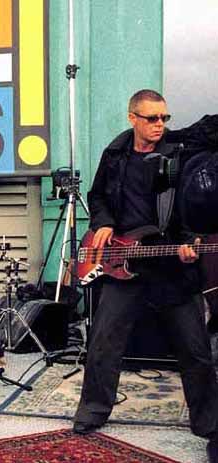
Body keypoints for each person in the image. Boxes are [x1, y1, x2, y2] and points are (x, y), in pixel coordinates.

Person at [72, 90, 218, 463]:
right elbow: (98, 195)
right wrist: (103, 222)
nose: (159, 125)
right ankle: (93, 412)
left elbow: (191, 203)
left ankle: (209, 424)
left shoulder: (178, 151)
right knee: (103, 343)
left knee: (196, 350)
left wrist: (189, 243)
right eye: (152, 118)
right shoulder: (115, 153)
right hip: (124, 263)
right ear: (132, 117)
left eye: (164, 118)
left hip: (170, 266)